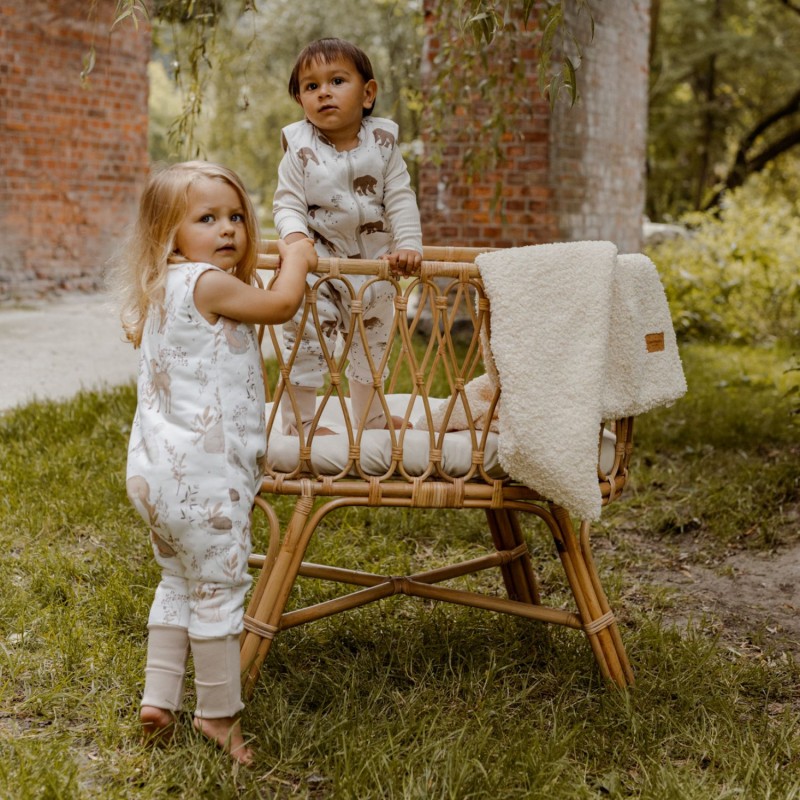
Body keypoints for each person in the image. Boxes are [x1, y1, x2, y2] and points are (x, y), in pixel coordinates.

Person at [112, 160, 316, 765]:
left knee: (177, 579)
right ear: (168, 235)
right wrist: (298, 255)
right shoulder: (206, 283)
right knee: (221, 590)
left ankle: (158, 698)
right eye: (207, 219)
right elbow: (281, 305)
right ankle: (218, 715)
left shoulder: (162, 286)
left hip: (154, 476)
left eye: (236, 217)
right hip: (207, 482)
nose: (228, 229)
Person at [273, 37, 423, 436]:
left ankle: (371, 418)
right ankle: (300, 422)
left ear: (368, 93)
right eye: (311, 86)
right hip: (317, 266)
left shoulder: (384, 146)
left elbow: (401, 198)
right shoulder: (299, 150)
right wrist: (296, 240)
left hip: (375, 267)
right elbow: (286, 204)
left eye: (337, 80)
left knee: (372, 346)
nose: (323, 92)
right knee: (306, 340)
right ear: (301, 100)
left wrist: (408, 245)